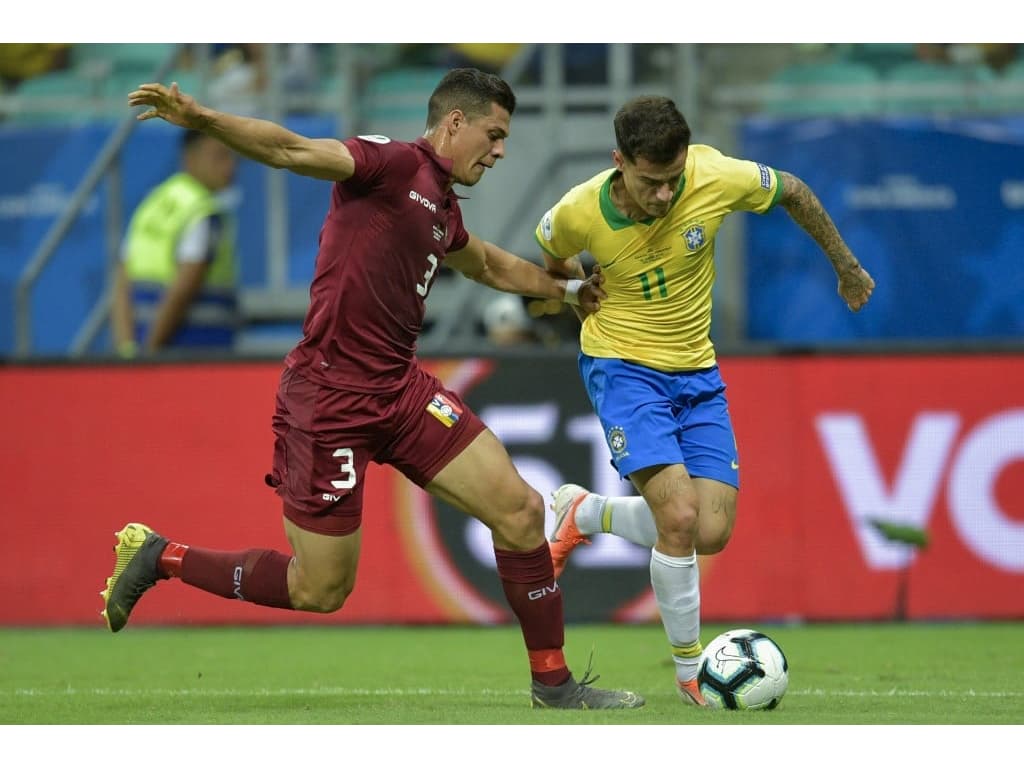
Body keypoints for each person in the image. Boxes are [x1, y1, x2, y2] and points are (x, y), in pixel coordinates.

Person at [101, 68, 644, 711]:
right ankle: (163, 557)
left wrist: (566, 291)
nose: (500, 151)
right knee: (321, 590)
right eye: (493, 135)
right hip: (327, 398)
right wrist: (207, 120)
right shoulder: (388, 165)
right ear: (454, 123)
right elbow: (289, 149)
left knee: (522, 513)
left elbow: (492, 265)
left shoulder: (442, 208)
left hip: (400, 390)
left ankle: (554, 685)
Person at [536, 95, 875, 706]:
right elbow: (550, 246)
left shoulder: (716, 174)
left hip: (697, 374)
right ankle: (692, 672)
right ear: (620, 162)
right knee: (681, 517)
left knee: (710, 530)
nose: (664, 196)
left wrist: (846, 268)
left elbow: (794, 190)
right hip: (623, 367)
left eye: (673, 181)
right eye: (650, 183)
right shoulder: (581, 209)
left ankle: (584, 513)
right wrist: (570, 290)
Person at [111, 128, 239, 358]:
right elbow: (183, 288)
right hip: (193, 347)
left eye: (232, 157)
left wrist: (127, 350)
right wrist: (151, 351)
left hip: (142, 344)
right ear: (190, 158)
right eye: (219, 156)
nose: (230, 166)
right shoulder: (202, 212)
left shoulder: (153, 202)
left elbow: (122, 280)